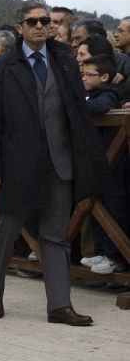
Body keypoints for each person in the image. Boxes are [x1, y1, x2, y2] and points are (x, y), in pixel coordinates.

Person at [0, 0, 109, 325]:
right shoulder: (0, 68)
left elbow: (78, 112)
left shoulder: (66, 62)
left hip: (60, 160)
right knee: (7, 231)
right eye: (32, 21)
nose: (40, 25)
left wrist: (87, 159)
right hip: (17, 165)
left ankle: (59, 305)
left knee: (56, 236)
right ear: (20, 28)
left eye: (44, 20)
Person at [80, 54, 129, 274]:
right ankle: (100, 251)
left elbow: (99, 107)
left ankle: (115, 255)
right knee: (95, 207)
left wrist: (81, 101)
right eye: (83, 74)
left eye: (89, 75)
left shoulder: (109, 93)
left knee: (114, 209)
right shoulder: (91, 94)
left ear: (105, 77)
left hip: (114, 163)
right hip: (97, 162)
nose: (84, 78)